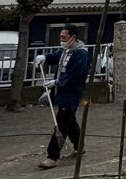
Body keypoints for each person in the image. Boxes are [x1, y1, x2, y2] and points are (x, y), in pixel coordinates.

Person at [35, 25, 89, 169]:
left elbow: (76, 75)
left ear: (73, 37)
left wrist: (57, 82)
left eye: (63, 37)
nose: (61, 39)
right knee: (70, 120)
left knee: (62, 123)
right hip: (62, 92)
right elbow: (55, 57)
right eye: (60, 37)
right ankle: (79, 146)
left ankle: (52, 156)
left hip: (71, 93)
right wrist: (44, 58)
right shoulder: (65, 50)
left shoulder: (80, 54)